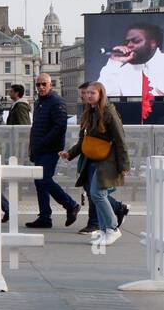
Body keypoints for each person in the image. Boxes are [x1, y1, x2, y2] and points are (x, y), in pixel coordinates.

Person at [60, 82, 130, 249]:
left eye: (92, 93)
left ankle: (112, 228)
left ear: (101, 94)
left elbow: (120, 139)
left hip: (107, 160)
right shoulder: (88, 113)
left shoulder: (109, 112)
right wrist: (69, 153)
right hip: (91, 159)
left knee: (97, 194)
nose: (88, 96)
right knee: (95, 195)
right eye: (87, 93)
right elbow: (83, 141)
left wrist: (124, 165)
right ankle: (105, 230)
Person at [25, 74, 80, 230]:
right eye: (38, 85)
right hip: (40, 149)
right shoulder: (39, 102)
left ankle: (71, 205)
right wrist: (34, 148)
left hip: (50, 149)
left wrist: (43, 143)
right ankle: (44, 217)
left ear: (50, 85)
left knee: (44, 180)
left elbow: (60, 127)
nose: (41, 87)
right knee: (39, 181)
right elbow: (36, 127)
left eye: (44, 84)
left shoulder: (56, 101)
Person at [97, 23, 164, 98]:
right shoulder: (122, 70)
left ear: (153, 43)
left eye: (136, 41)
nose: (129, 45)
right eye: (127, 42)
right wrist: (114, 62)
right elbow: (102, 97)